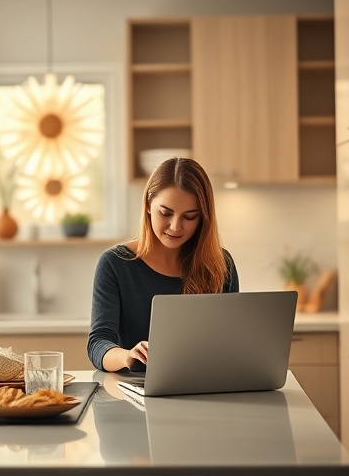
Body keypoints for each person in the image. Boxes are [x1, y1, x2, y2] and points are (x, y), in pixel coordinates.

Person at [87, 157, 239, 373]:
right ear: (148, 205)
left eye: (190, 216)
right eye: (165, 213)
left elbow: (232, 342)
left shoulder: (221, 264)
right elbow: (98, 343)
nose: (175, 226)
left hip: (205, 388)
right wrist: (128, 356)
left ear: (203, 218)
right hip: (135, 392)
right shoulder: (115, 264)